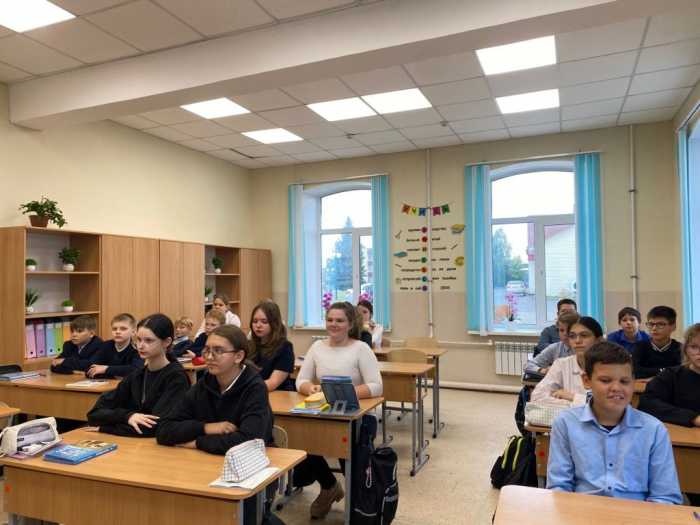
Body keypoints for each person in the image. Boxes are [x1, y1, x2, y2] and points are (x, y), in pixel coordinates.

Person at [547, 341, 682, 504]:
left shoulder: (654, 430)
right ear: (586, 380)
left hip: (637, 513)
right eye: (605, 380)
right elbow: (559, 487)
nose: (616, 388)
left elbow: (665, 496)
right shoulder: (565, 424)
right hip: (582, 510)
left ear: (633, 382)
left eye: (624, 381)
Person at [295, 301, 383, 519]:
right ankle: (329, 486)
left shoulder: (361, 349)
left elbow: (376, 386)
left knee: (350, 457)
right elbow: (301, 380)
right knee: (300, 441)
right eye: (330, 320)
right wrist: (311, 388)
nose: (333, 324)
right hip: (325, 413)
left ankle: (357, 505)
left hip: (358, 417)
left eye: (340, 320)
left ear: (350, 324)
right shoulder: (317, 347)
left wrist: (344, 393)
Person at [156, 324, 273, 452]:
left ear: (238, 356)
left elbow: (250, 441)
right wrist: (206, 428)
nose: (209, 357)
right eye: (207, 350)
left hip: (248, 461)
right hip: (207, 459)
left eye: (218, 351)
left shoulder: (255, 388)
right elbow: (164, 430)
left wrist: (198, 443)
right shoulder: (204, 384)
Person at [86, 313, 190, 437]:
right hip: (132, 442)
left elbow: (153, 427)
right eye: (139, 340)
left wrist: (106, 428)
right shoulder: (137, 375)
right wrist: (128, 416)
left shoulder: (177, 378)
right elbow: (94, 414)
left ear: (166, 342)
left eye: (149, 340)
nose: (141, 345)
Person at [639, 323, 700, 505]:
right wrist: (692, 418)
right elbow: (647, 403)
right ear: (686, 349)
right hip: (684, 450)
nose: (699, 353)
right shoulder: (672, 376)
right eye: (694, 347)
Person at [531, 316, 603, 407]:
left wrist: (572, 397)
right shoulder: (561, 364)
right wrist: (580, 403)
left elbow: (606, 405)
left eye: (584, 335)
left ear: (598, 340)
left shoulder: (610, 366)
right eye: (572, 336)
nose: (577, 341)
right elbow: (537, 397)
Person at [248, 300, 295, 392]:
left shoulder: (285, 348)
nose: (258, 325)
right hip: (253, 393)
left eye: (264, 322)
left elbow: (272, 383)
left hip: (277, 395)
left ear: (274, 323)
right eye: (255, 321)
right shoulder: (249, 345)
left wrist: (244, 389)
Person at [86, 313, 142, 378]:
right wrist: (115, 374)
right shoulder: (106, 345)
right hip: (107, 383)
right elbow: (90, 368)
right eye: (114, 329)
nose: (117, 332)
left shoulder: (137, 349)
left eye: (123, 329)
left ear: (133, 332)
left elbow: (136, 370)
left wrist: (106, 369)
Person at [632, 306, 682, 379]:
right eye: (651, 324)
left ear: (673, 326)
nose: (654, 328)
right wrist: (665, 371)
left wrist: (652, 372)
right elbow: (636, 371)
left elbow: (681, 372)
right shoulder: (640, 346)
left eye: (660, 324)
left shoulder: (680, 348)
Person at [524, 311, 578, 376]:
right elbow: (528, 365)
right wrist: (543, 370)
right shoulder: (555, 348)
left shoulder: (585, 349)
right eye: (561, 330)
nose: (565, 334)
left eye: (569, 330)